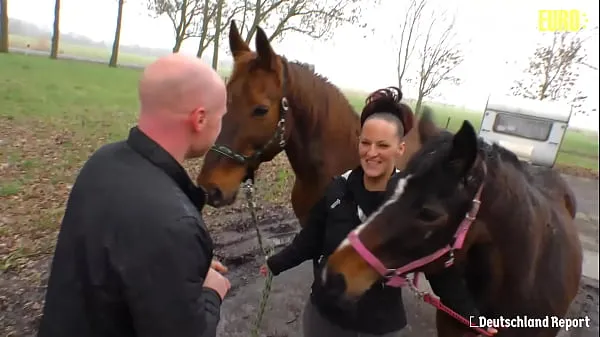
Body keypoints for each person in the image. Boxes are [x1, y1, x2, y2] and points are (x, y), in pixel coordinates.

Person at [260, 87, 498, 337]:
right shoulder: (338, 189)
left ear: (401, 148)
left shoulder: (410, 206)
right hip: (323, 318)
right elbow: (310, 239)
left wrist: (473, 318)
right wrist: (275, 264)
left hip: (378, 328)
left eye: (383, 145)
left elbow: (440, 272)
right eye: (366, 143)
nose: (371, 153)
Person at [37, 53, 231, 337]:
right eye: (221, 116)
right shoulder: (173, 222)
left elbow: (121, 264)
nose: (221, 126)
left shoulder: (102, 161)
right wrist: (212, 293)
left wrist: (182, 270)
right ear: (199, 118)